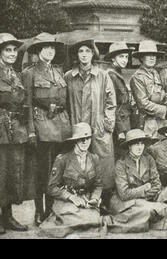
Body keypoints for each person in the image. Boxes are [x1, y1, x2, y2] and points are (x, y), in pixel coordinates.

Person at [22, 32, 72, 226]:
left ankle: (50, 210)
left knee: (55, 171)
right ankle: (39, 211)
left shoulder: (58, 72)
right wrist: (31, 131)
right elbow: (26, 105)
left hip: (60, 127)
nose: (50, 51)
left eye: (52, 48)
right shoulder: (29, 73)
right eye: (46, 48)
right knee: (41, 171)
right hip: (42, 126)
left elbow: (63, 101)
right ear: (38, 51)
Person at [64, 39, 117, 208]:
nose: (84, 54)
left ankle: (105, 203)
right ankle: (82, 202)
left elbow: (111, 101)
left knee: (104, 163)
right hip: (77, 127)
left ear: (93, 54)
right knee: (80, 163)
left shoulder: (102, 75)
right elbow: (64, 102)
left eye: (88, 51)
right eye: (81, 51)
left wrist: (107, 123)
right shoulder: (69, 76)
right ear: (76, 55)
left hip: (99, 127)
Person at [39, 123, 105, 238]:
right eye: (81, 139)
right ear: (75, 141)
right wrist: (71, 197)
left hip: (86, 200)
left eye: (88, 138)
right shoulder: (62, 159)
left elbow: (98, 184)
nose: (85, 142)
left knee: (94, 220)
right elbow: (51, 188)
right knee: (73, 218)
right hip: (66, 201)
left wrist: (95, 198)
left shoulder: (94, 158)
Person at [108, 129, 167, 233]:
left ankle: (145, 219)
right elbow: (124, 194)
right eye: (136, 144)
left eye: (141, 144)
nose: (140, 147)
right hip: (125, 203)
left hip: (145, 200)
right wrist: (144, 188)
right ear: (129, 146)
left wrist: (145, 195)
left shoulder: (149, 159)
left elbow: (157, 185)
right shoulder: (120, 164)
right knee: (147, 211)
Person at [0, 33, 32, 234]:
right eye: (7, 50)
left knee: (13, 172)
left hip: (16, 129)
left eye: (14, 50)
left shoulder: (15, 73)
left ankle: (7, 215)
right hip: (0, 129)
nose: (12, 54)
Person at [130, 40, 167, 139]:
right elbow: (143, 104)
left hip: (160, 121)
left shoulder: (155, 73)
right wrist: (165, 110)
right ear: (141, 57)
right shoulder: (137, 77)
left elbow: (159, 94)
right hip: (146, 123)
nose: (152, 57)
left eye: (154, 55)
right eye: (148, 55)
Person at [103, 41, 134, 160]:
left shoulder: (118, 74)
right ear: (112, 59)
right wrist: (120, 130)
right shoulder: (111, 75)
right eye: (121, 56)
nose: (125, 60)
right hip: (118, 125)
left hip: (125, 122)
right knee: (120, 156)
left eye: (126, 57)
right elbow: (112, 105)